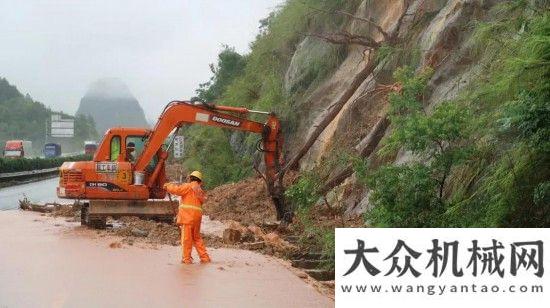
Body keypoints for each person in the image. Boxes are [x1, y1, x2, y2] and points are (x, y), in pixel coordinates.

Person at [163, 171, 210, 264]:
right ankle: (205, 258)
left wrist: (167, 186)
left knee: (186, 239)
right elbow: (203, 200)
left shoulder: (188, 186)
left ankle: (186, 259)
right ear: (200, 181)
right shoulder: (199, 190)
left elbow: (177, 190)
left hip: (188, 217)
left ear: (190, 178)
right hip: (197, 218)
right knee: (197, 238)